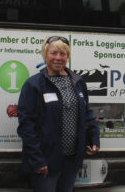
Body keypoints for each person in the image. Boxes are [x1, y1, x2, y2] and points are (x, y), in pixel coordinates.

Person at [17, 35, 100, 192]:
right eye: (53, 53)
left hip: (71, 159)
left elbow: (86, 113)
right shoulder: (34, 84)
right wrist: (37, 160)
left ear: (67, 57)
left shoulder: (78, 81)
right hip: (45, 161)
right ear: (45, 55)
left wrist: (94, 138)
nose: (58, 58)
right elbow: (26, 126)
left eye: (63, 54)